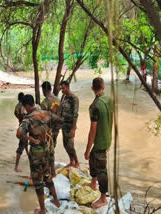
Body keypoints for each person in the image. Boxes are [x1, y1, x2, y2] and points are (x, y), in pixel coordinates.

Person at [16, 95, 61, 214]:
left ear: (26, 106)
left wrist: (29, 138)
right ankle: (56, 201)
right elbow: (59, 121)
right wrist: (50, 132)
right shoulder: (46, 113)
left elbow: (19, 133)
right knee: (47, 176)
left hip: (36, 153)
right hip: (46, 149)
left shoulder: (28, 119)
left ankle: (42, 210)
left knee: (38, 182)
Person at [84, 77, 113, 209]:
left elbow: (93, 130)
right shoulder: (109, 99)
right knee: (92, 161)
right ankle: (93, 183)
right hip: (107, 138)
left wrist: (87, 149)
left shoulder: (94, 106)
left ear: (92, 89)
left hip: (100, 141)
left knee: (102, 170)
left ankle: (103, 198)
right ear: (103, 87)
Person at [40, 81, 61, 177]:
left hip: (48, 130)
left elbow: (42, 118)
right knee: (52, 147)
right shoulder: (58, 99)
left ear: (44, 90)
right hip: (57, 128)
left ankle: (50, 171)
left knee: (48, 150)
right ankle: (50, 170)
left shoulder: (45, 102)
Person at [60, 81, 80, 168]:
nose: (62, 90)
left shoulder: (74, 98)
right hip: (64, 125)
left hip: (70, 126)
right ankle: (71, 161)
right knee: (65, 145)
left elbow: (75, 114)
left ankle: (77, 163)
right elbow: (61, 110)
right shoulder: (64, 97)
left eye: (63, 88)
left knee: (71, 146)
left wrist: (73, 129)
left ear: (68, 87)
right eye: (61, 88)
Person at [14, 92, 28, 172]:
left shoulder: (17, 106)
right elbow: (26, 116)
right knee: (21, 145)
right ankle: (16, 167)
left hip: (20, 125)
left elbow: (15, 114)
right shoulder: (23, 107)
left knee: (25, 142)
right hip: (24, 127)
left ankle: (28, 154)